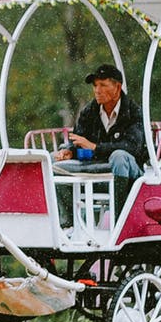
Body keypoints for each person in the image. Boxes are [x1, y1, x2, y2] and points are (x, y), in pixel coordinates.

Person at [51, 64, 147, 223]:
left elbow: (133, 148)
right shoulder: (89, 112)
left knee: (119, 156)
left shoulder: (134, 112)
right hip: (96, 171)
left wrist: (95, 147)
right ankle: (69, 223)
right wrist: (69, 152)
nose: (97, 90)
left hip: (130, 173)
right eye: (95, 85)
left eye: (103, 85)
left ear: (117, 87)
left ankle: (120, 221)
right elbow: (78, 140)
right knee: (53, 160)